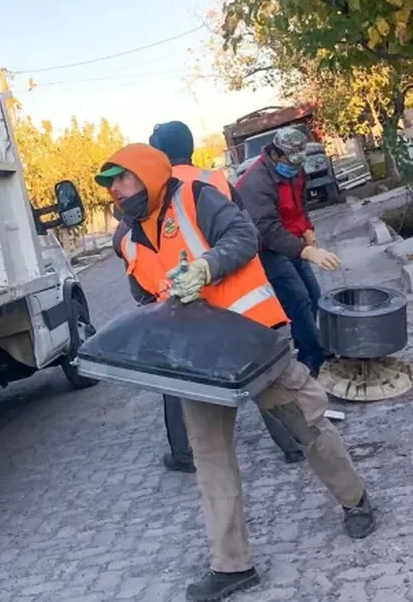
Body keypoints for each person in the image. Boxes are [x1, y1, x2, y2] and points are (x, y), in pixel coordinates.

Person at [96, 144, 374, 602]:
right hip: (198, 359)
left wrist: (206, 267)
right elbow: (143, 294)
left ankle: (356, 499)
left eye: (121, 179)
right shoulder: (124, 238)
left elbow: (244, 237)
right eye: (109, 184)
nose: (116, 191)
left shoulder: (195, 197)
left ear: (146, 174)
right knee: (210, 457)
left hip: (253, 339)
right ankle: (232, 566)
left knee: (306, 426)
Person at [145, 121, 302, 472]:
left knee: (176, 381)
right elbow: (246, 235)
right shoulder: (214, 180)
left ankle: (186, 454)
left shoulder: (158, 195)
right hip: (240, 303)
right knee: (265, 379)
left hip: (189, 311)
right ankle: (294, 443)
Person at [235, 126, 340, 377]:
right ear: (275, 153)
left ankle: (307, 346)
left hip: (292, 241)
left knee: (313, 294)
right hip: (266, 248)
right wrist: (307, 252)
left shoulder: (295, 169)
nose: (295, 169)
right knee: (298, 299)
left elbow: (298, 204)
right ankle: (313, 359)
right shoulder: (254, 183)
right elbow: (268, 231)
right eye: (290, 163)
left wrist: (307, 230)